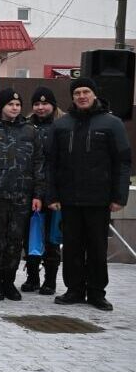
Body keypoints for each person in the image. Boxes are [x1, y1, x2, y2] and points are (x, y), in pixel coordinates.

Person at [48, 78, 131, 311]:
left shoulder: (112, 123)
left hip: (99, 199)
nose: (82, 96)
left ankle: (96, 292)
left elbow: (123, 162)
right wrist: (52, 195)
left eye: (86, 92)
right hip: (69, 199)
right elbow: (51, 163)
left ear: (94, 94)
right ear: (72, 97)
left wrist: (119, 196)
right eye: (77, 93)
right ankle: (74, 289)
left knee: (97, 248)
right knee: (72, 247)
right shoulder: (61, 125)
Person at [0, 88, 45, 302]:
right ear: (2, 106)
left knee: (15, 241)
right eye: (10, 104)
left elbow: (39, 164)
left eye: (18, 105)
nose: (14, 108)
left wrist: (38, 194)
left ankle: (8, 282)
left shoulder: (31, 131)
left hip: (22, 196)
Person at [22, 86, 63, 295]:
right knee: (30, 235)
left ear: (53, 106)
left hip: (54, 192)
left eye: (45, 103)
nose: (40, 107)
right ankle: (32, 277)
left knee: (51, 239)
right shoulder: (26, 127)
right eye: (37, 104)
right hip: (29, 191)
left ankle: (50, 280)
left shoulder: (63, 126)